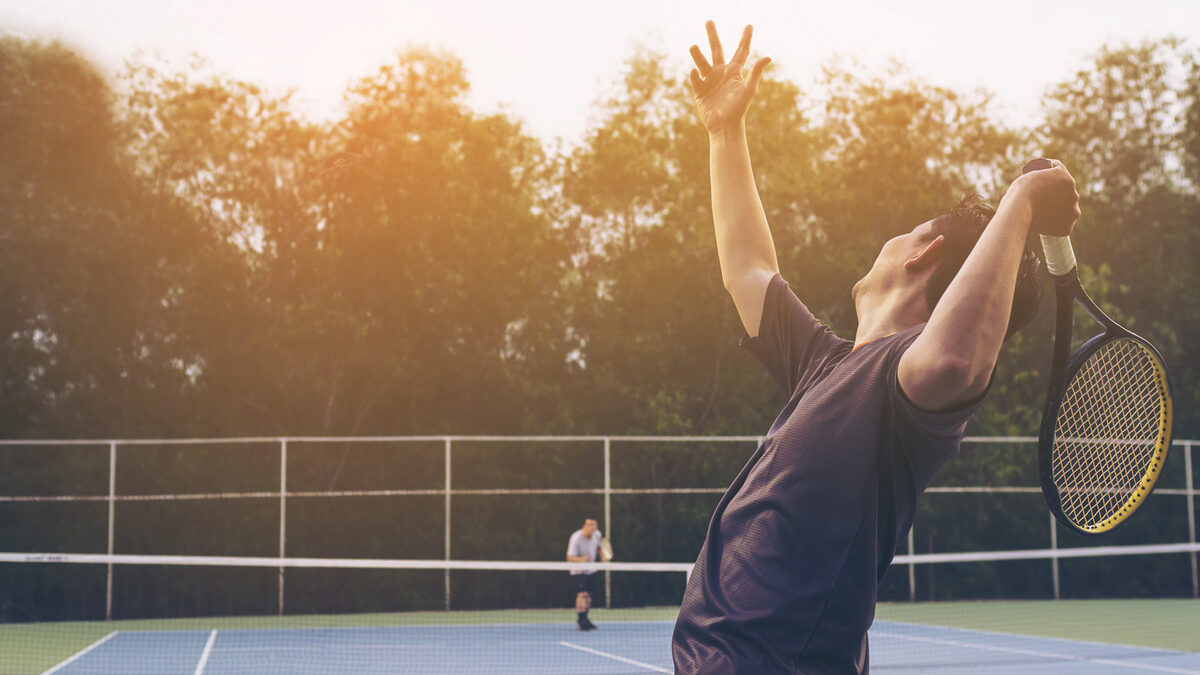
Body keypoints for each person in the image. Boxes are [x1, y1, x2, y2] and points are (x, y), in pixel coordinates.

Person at [671, 21, 1080, 674]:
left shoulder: (902, 384)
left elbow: (956, 358)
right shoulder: (824, 363)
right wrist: (724, 131)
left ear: (925, 253)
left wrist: (1023, 199)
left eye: (905, 230)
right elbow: (746, 268)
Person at [566, 517, 603, 631]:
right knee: (582, 594)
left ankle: (585, 618)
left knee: (589, 596)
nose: (592, 529)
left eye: (594, 526)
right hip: (578, 570)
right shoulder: (576, 538)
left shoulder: (597, 534)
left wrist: (603, 556)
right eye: (590, 526)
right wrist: (581, 560)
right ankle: (581, 621)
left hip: (591, 569)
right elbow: (569, 557)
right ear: (584, 527)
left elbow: (599, 547)